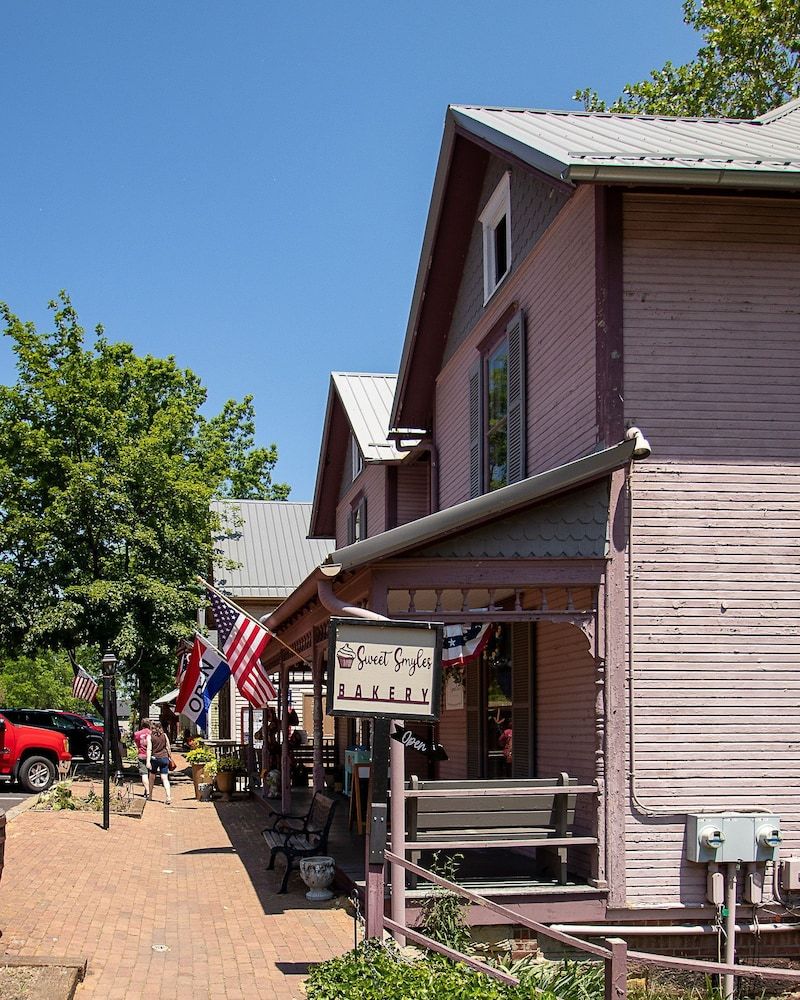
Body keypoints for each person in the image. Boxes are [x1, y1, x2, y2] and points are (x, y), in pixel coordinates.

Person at [146, 720, 173, 805]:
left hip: (155, 759)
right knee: (165, 778)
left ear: (151, 728)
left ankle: (150, 795)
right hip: (164, 758)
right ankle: (168, 797)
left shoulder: (150, 737)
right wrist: (169, 757)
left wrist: (148, 761)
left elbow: (149, 749)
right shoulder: (164, 735)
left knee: (151, 777)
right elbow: (168, 747)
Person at [132, 718, 151, 799]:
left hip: (141, 755)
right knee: (150, 775)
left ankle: (147, 791)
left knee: (144, 774)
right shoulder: (151, 733)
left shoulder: (137, 734)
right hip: (150, 756)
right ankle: (148, 791)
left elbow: (136, 744)